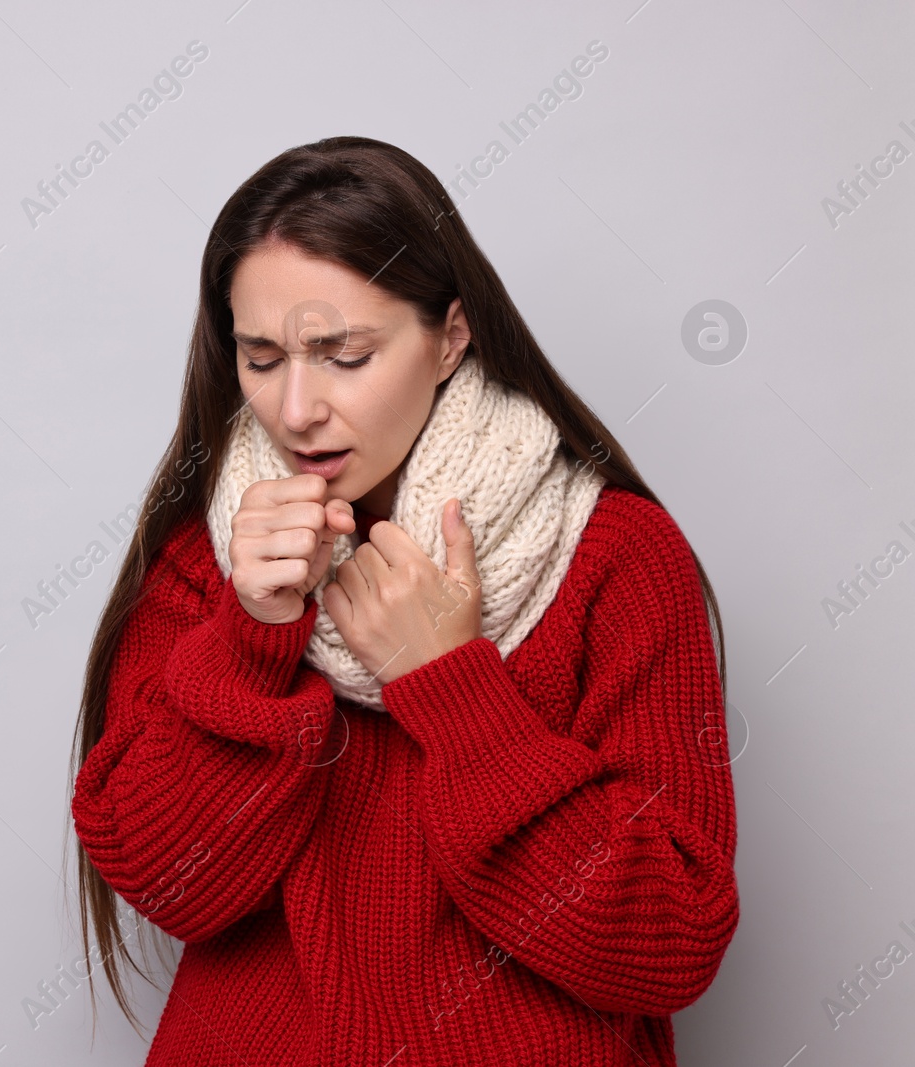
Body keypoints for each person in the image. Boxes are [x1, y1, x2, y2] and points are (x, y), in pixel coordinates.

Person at [66, 136, 738, 1066]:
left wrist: (452, 687)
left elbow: (672, 938)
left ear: (450, 338)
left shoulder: (617, 557)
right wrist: (251, 642)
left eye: (343, 355)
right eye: (262, 358)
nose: (295, 408)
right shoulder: (209, 555)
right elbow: (168, 883)